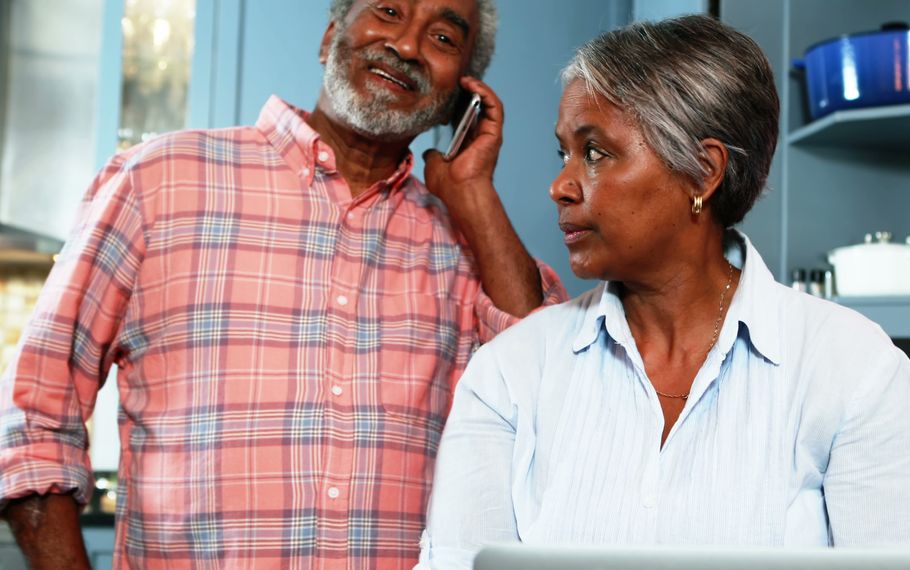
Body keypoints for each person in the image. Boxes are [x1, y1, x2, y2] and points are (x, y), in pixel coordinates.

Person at [0, 0, 567, 567]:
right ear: (329, 37)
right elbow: (33, 418)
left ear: (462, 94)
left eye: (443, 38)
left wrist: (475, 195)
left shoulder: (469, 245)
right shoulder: (158, 182)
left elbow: (552, 402)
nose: (407, 45)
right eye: (389, 10)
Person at [417, 15, 910, 568]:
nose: (561, 185)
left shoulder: (855, 372)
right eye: (565, 154)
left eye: (596, 153)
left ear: (703, 172)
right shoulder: (509, 375)